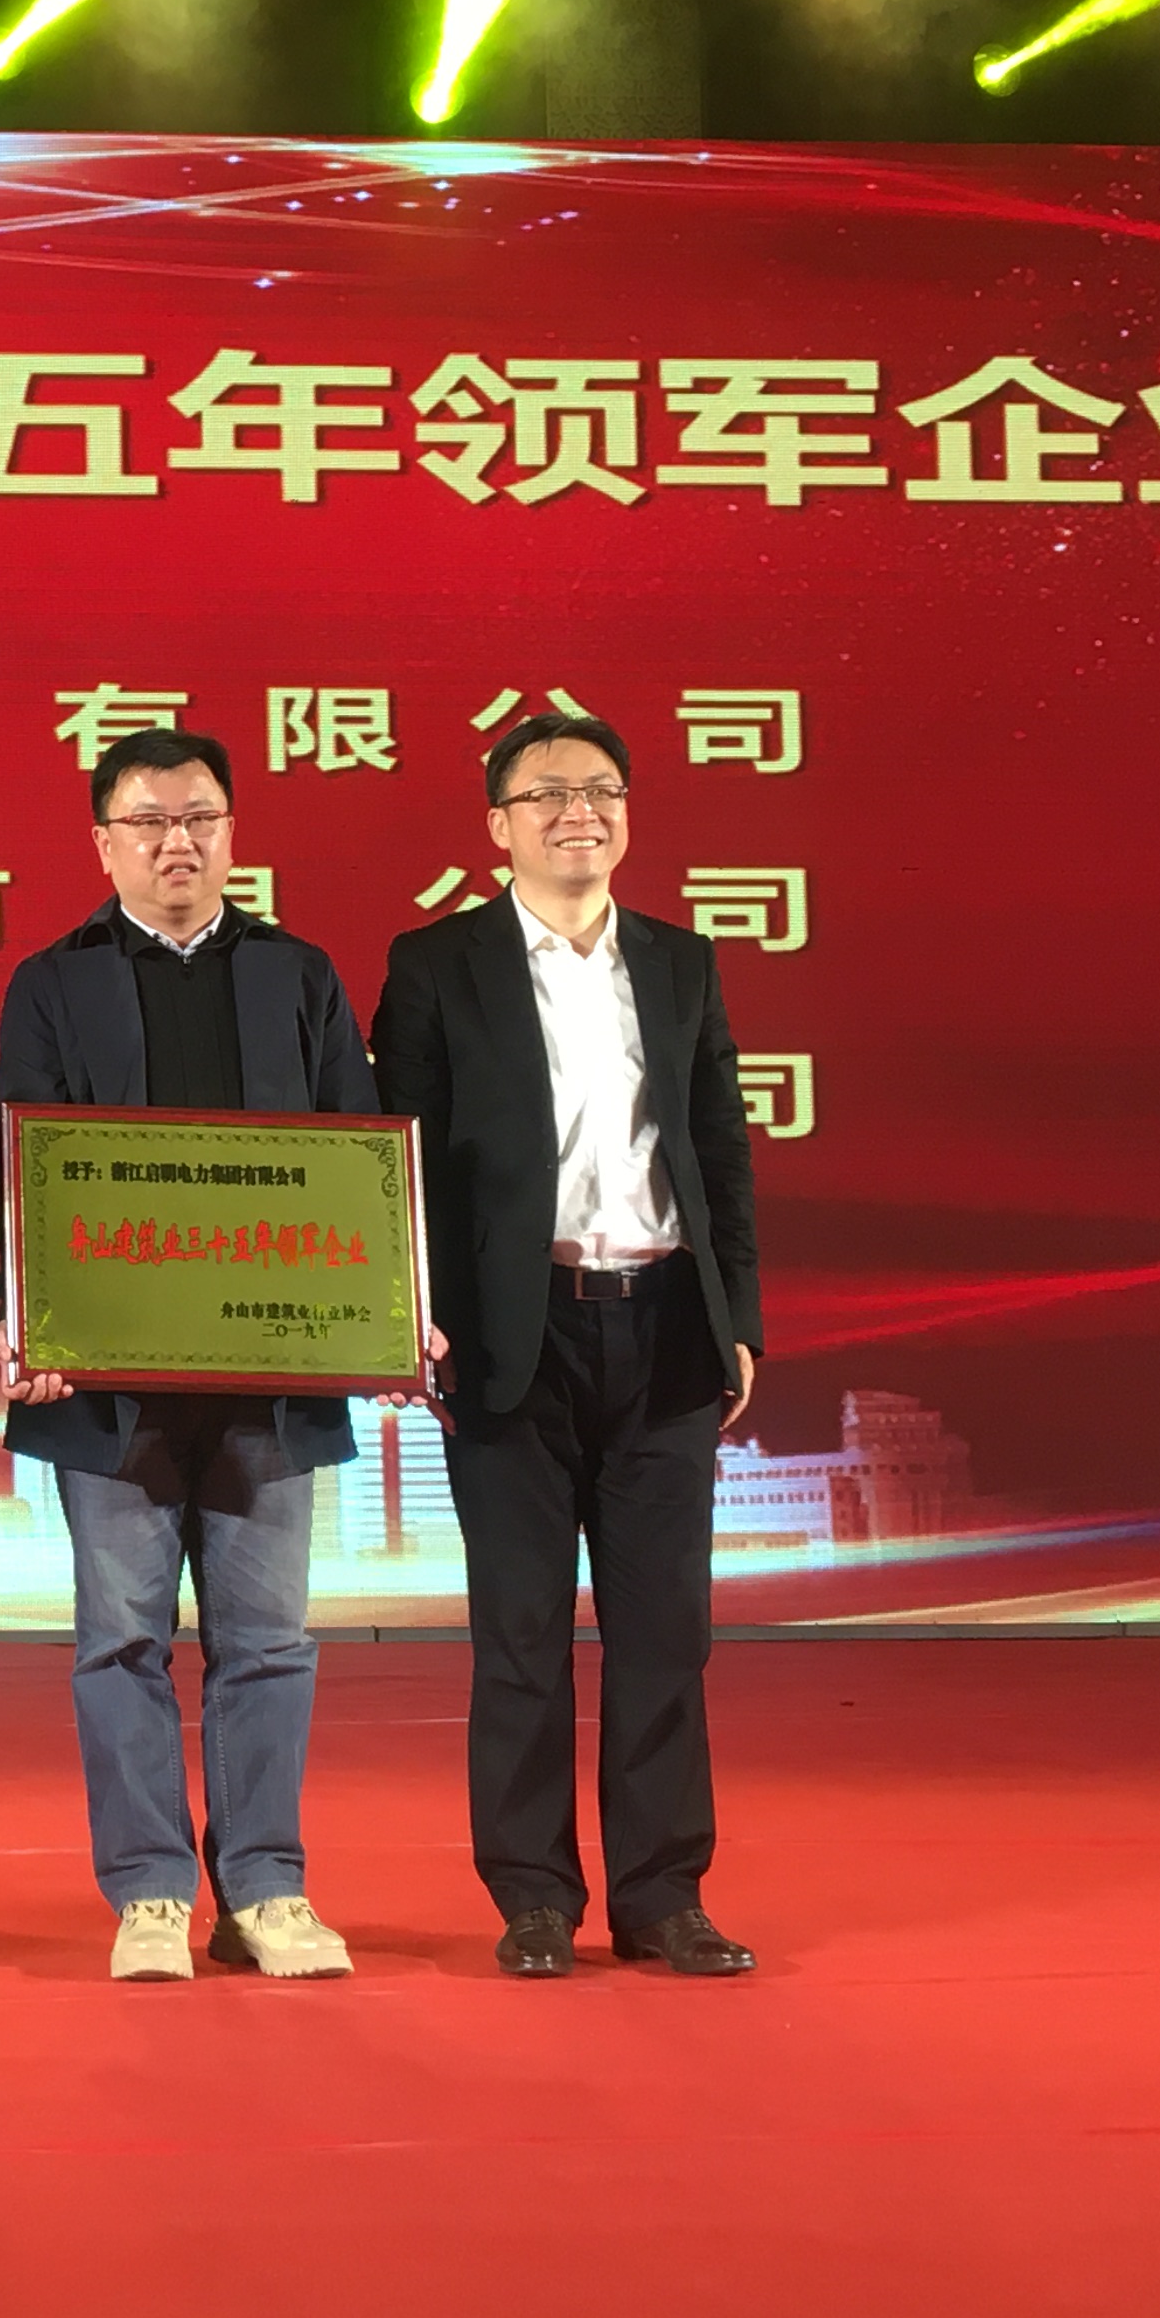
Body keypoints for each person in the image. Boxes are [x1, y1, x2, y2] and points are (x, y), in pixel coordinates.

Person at [373, 711, 763, 1981]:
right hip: (512, 1337)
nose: (575, 813)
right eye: (545, 795)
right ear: (498, 826)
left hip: (665, 1327)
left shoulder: (682, 962)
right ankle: (533, 1895)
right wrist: (410, 1314)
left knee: (666, 1633)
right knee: (523, 1631)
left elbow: (718, 1153)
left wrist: (738, 1319)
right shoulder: (439, 965)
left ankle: (664, 1896)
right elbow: (403, 1160)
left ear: (628, 815)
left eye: (599, 790)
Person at [0, 727, 379, 1985]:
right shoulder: (53, 983)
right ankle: (150, 1889)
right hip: (110, 1383)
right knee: (121, 1642)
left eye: (200, 818)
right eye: (150, 822)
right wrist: (26, 1314)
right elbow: (23, 1165)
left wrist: (387, 1306)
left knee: (271, 1640)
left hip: (270, 1378)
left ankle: (266, 1885)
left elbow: (358, 1155)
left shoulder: (298, 976)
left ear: (231, 834)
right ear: (103, 845)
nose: (178, 843)